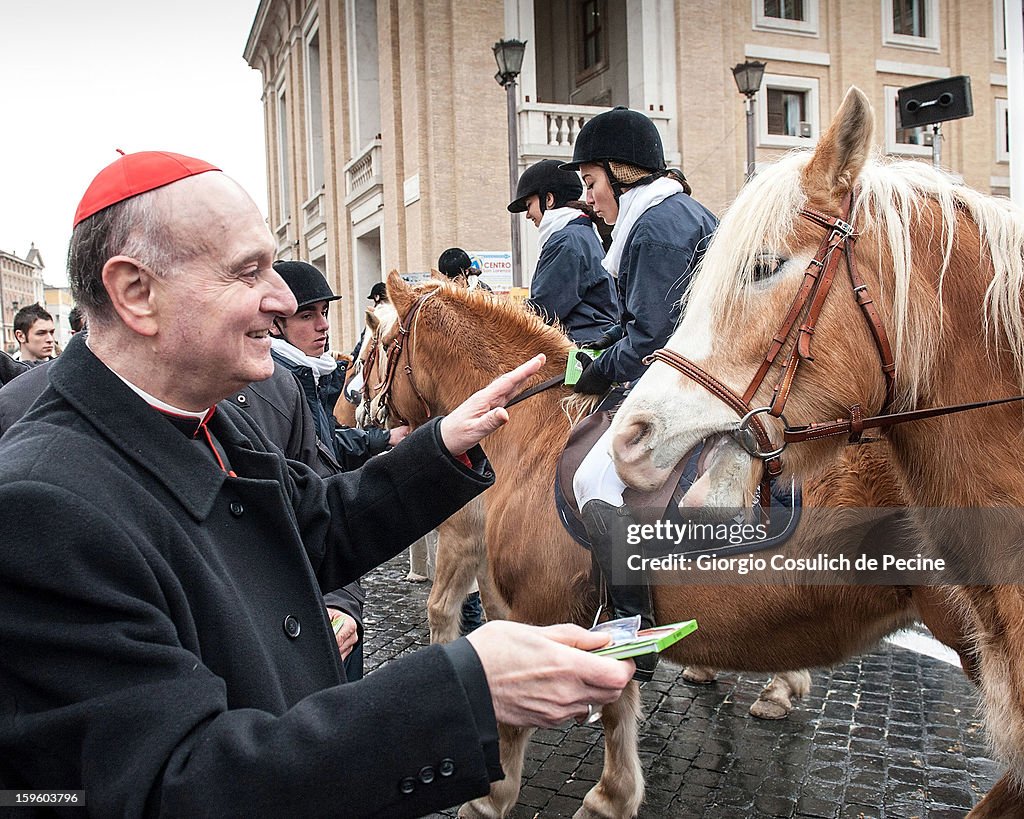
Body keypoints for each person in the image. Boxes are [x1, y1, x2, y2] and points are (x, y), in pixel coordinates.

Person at [0, 150, 632, 817]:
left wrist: (441, 444)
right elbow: (176, 788)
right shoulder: (42, 507)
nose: (280, 300)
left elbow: (314, 523)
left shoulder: (206, 416)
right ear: (135, 292)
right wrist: (464, 687)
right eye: (249, 271)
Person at [560, 107, 718, 681]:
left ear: (622, 173)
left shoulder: (654, 228)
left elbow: (653, 338)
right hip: (690, 368)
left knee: (592, 478)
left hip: (687, 379)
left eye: (591, 183)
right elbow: (636, 320)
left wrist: (595, 373)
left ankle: (631, 625)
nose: (588, 198)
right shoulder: (679, 212)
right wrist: (594, 349)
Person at [237, 259, 407, 679]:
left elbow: (327, 450)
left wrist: (384, 441)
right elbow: (315, 493)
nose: (323, 326)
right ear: (276, 324)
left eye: (325, 313)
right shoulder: (276, 383)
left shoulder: (309, 378)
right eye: (307, 315)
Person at [508, 159, 617, 346]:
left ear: (548, 200)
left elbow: (543, 311)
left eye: (528, 205)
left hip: (578, 347)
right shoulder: (580, 232)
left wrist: (496, 313)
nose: (527, 215)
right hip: (588, 340)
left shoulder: (567, 241)